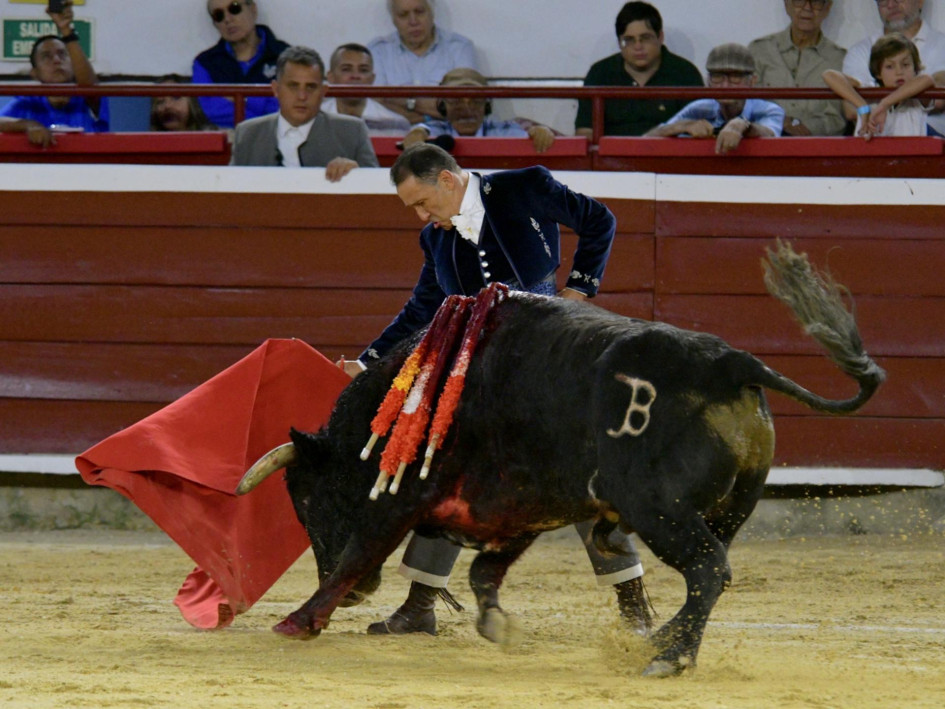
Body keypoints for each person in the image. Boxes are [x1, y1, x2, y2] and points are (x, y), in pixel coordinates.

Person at [340, 142, 652, 638]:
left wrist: (579, 289)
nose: (422, 216)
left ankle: (634, 606)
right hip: (486, 375)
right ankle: (420, 604)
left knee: (580, 474)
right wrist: (369, 360)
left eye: (424, 202)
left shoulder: (524, 186)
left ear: (447, 179)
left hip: (551, 362)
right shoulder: (435, 239)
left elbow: (599, 220)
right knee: (448, 471)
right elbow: (423, 306)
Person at [229, 46, 378, 180]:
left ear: (323, 91)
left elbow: (376, 192)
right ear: (276, 89)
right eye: (293, 86)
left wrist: (358, 174)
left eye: (311, 87)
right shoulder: (247, 134)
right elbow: (230, 191)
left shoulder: (352, 131)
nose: (302, 96)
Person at [575, 2, 703, 137]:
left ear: (660, 37)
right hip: (612, 156)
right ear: (619, 43)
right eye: (629, 40)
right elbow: (585, 133)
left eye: (645, 38)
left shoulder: (685, 73)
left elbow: (698, 130)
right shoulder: (600, 73)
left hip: (669, 156)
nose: (638, 46)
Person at [0, 1, 107, 148]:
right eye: (46, 56)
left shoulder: (87, 100)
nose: (56, 60)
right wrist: (29, 125)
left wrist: (66, 31)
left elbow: (91, 88)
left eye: (63, 54)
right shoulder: (28, 101)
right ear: (35, 73)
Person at [645, 43, 784, 154]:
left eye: (735, 77)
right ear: (708, 81)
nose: (725, 85)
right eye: (717, 76)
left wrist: (742, 125)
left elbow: (770, 133)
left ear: (752, 81)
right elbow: (646, 140)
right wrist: (683, 126)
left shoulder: (769, 110)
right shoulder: (699, 108)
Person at [842, 0, 945, 136]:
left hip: (930, 141)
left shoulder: (941, 45)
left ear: (920, 2)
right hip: (875, 139)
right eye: (883, 0)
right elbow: (849, 108)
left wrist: (880, 101)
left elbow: (938, 100)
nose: (891, 5)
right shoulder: (860, 51)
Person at [367, 0, 478, 124]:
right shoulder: (378, 51)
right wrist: (433, 110)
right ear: (393, 20)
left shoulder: (459, 48)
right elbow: (376, 104)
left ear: (432, 13)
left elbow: (462, 107)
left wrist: (406, 102)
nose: (413, 21)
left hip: (446, 136)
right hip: (396, 133)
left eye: (419, 12)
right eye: (403, 15)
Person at [748, 0, 846, 136]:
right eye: (799, 1)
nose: (807, 8)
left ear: (827, 7)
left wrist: (806, 128)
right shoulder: (759, 50)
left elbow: (837, 118)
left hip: (817, 148)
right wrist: (780, 122)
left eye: (816, 2)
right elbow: (749, 104)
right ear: (787, 4)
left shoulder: (840, 59)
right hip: (767, 141)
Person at [401, 68, 556, 152]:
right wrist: (417, 133)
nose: (467, 108)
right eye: (456, 100)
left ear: (486, 105)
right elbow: (421, 132)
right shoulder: (437, 131)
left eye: (475, 100)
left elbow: (530, 137)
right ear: (443, 105)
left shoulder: (503, 131)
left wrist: (540, 133)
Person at [824, 33, 945, 139]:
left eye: (906, 64)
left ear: (915, 68)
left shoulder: (918, 99)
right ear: (878, 72)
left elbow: (927, 79)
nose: (899, 72)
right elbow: (829, 75)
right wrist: (862, 107)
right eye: (889, 67)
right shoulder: (870, 91)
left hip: (912, 160)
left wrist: (885, 103)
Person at [192, 0, 290, 128]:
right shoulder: (204, 63)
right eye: (218, 15)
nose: (227, 19)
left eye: (234, 8)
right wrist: (261, 105)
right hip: (230, 141)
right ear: (215, 23)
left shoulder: (286, 56)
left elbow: (287, 106)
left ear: (253, 10)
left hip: (278, 138)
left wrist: (240, 99)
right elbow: (213, 111)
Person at [321, 43, 414, 136]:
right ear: (331, 77)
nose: (355, 76)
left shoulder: (394, 123)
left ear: (372, 78)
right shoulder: (314, 119)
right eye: (346, 69)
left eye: (363, 70)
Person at [149, 75, 218, 132]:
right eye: (160, 102)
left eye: (176, 98)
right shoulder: (149, 143)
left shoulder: (210, 138)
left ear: (192, 101)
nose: (167, 106)